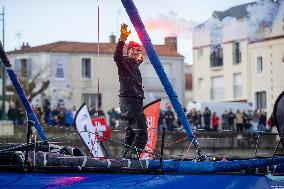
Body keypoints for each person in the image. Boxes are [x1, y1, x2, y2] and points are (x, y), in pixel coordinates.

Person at [113, 23, 147, 160]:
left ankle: (126, 156)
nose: (137, 53)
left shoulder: (134, 63)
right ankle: (133, 157)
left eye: (139, 51)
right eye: (134, 50)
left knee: (132, 132)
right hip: (130, 101)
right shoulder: (124, 62)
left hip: (134, 101)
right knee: (142, 134)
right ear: (128, 51)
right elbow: (117, 56)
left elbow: (137, 61)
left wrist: (140, 59)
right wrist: (122, 39)